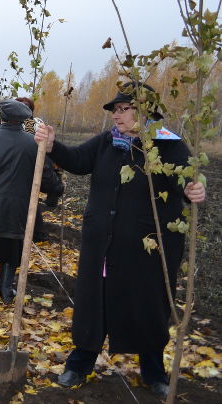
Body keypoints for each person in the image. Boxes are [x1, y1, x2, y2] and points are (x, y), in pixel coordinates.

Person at [34, 83, 206, 397]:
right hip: (103, 244)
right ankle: (80, 361)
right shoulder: (106, 142)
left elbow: (188, 181)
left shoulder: (168, 146)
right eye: (115, 110)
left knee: (148, 305)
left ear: (145, 110)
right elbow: (76, 160)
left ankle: (153, 370)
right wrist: (52, 146)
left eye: (123, 109)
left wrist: (195, 190)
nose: (116, 115)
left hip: (148, 250)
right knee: (93, 302)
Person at [0, 100, 62, 303]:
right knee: (12, 248)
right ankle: (6, 290)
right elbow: (46, 175)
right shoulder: (33, 143)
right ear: (24, 120)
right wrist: (57, 188)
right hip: (17, 209)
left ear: (2, 117)